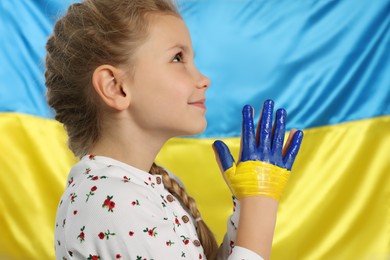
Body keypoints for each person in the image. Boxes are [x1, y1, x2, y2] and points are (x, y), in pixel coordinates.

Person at [45, 0, 304, 259]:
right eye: (178, 58)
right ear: (115, 87)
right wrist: (260, 207)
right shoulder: (113, 201)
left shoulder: (140, 189)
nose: (204, 80)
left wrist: (247, 206)